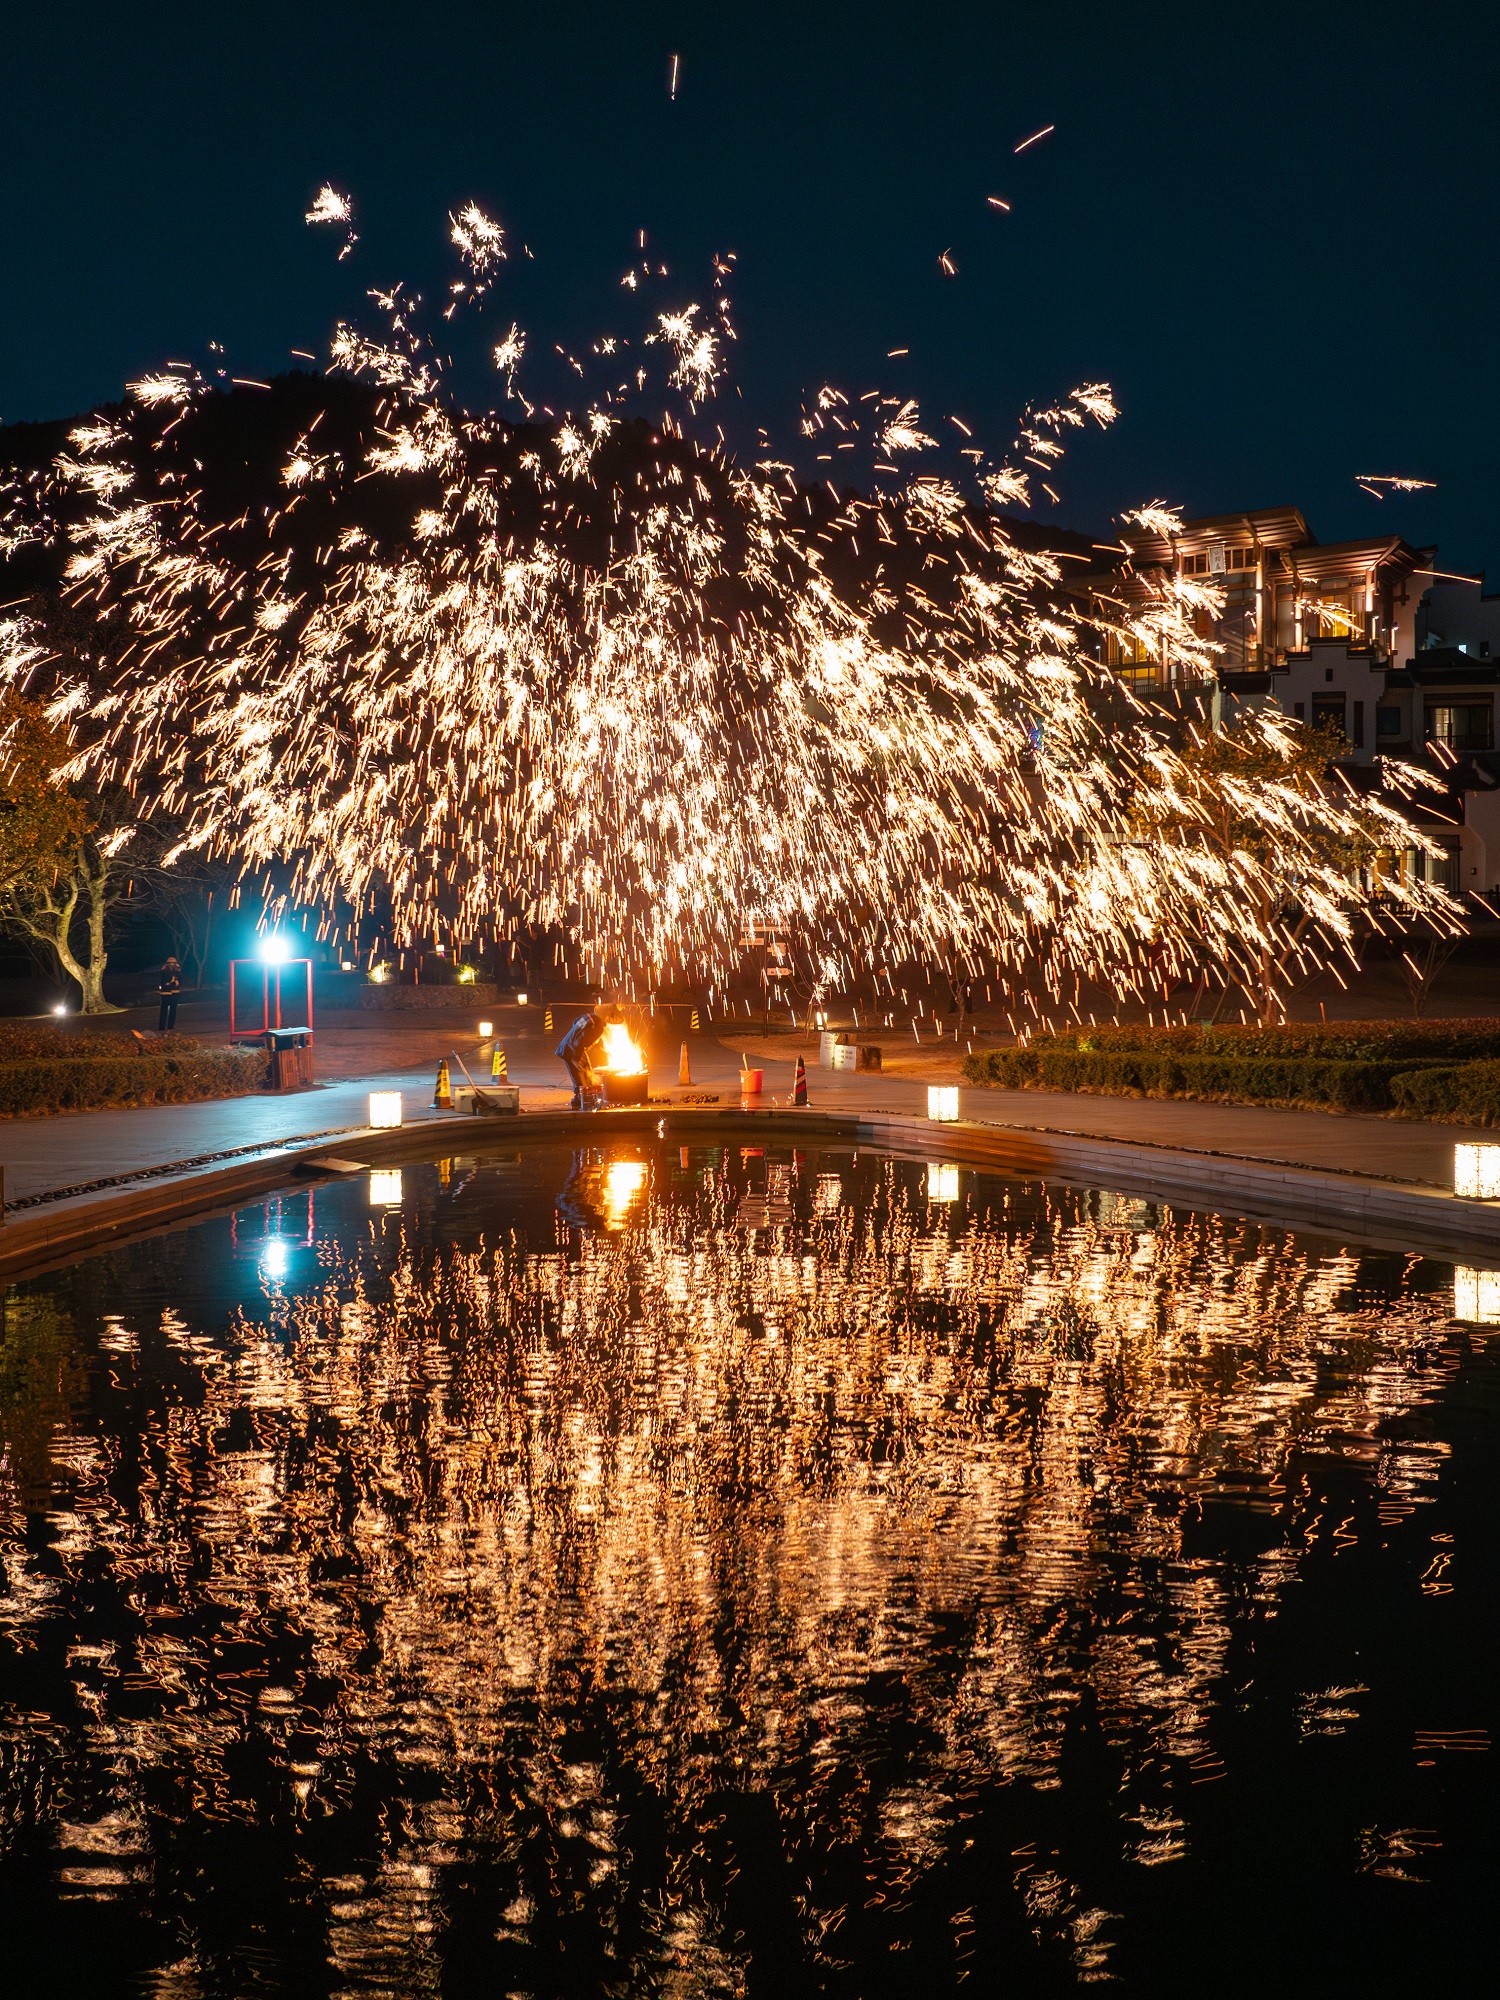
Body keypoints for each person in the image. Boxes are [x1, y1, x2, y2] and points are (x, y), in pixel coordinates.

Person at [555, 1004, 621, 1109]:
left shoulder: (588, 1016)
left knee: (586, 1074)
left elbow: (575, 1022)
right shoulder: (598, 1026)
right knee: (580, 1078)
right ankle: (580, 1100)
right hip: (574, 1050)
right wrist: (577, 1058)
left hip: (568, 1045)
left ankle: (586, 1098)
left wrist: (575, 1037)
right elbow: (581, 1042)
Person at [156, 956, 182, 1031]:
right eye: (170, 963)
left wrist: (178, 971)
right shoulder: (164, 971)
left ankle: (170, 1026)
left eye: (173, 963)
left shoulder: (177, 971)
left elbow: (179, 979)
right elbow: (166, 979)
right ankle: (162, 1026)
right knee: (164, 1010)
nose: (172, 965)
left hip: (175, 992)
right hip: (166, 993)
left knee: (173, 1010)